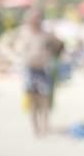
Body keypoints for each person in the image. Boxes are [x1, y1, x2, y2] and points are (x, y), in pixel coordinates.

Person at [15, 8, 59, 137]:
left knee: (44, 100)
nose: (36, 20)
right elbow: (11, 44)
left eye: (38, 18)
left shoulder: (46, 34)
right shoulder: (23, 32)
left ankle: (45, 126)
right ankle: (35, 128)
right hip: (29, 69)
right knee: (32, 100)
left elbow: (58, 46)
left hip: (43, 69)